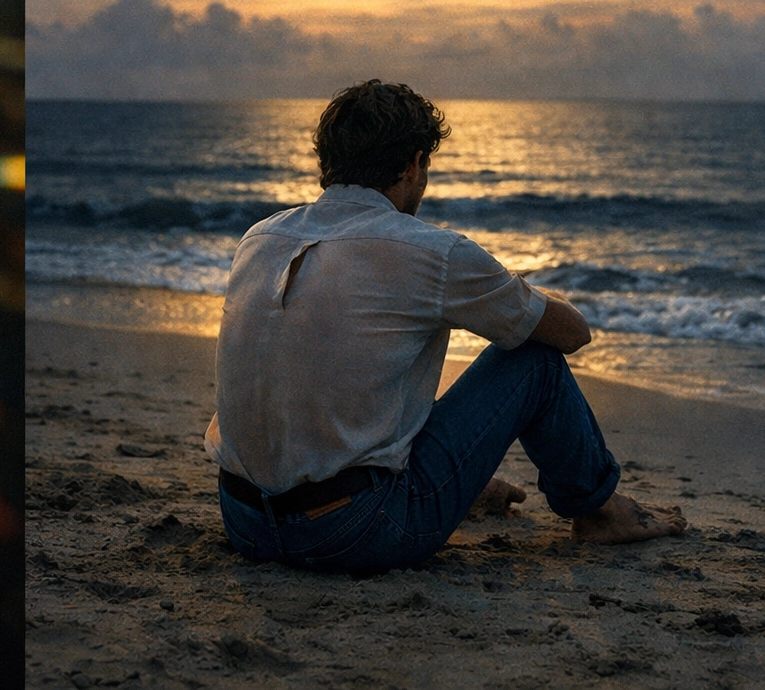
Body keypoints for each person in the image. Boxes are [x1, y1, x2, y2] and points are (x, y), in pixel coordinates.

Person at [204, 79, 686, 574]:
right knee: (533, 360)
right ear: (413, 165)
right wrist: (510, 292)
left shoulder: (260, 237)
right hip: (353, 532)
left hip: (245, 523)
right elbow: (571, 334)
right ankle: (599, 512)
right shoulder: (429, 252)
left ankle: (453, 482)